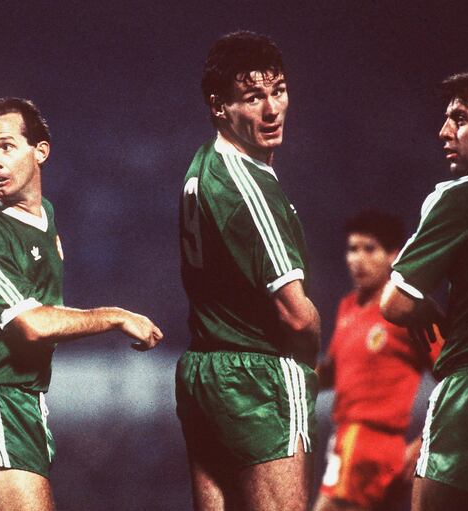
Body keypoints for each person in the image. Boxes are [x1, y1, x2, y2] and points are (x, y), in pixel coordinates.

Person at [0, 97, 163, 511]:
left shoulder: (44, 216)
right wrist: (116, 316)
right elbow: (33, 325)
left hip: (24, 399)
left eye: (5, 146)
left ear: (40, 151)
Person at [175, 31, 321, 511]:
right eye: (253, 97)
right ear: (219, 106)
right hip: (255, 379)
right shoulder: (250, 186)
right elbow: (297, 317)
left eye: (277, 90)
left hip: (205, 370)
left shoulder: (202, 165)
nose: (272, 109)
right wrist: (307, 362)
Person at [380, 70, 468, 511]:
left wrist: (425, 309)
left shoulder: (460, 196)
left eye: (460, 119)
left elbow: (396, 303)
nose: (444, 132)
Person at [314, 211, 441, 511]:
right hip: (349, 441)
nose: (357, 259)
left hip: (372, 444)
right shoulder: (348, 306)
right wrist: (286, 378)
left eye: (369, 249)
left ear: (393, 255)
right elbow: (332, 374)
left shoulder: (408, 309)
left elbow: (453, 378)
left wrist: (427, 441)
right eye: (352, 249)